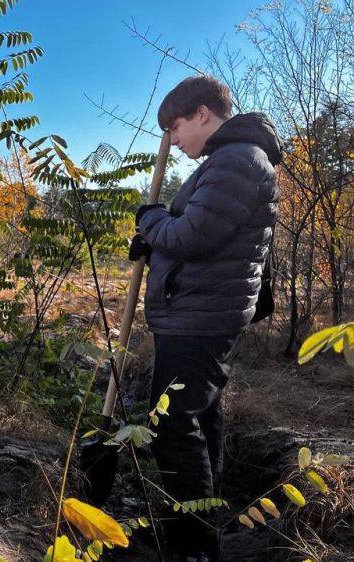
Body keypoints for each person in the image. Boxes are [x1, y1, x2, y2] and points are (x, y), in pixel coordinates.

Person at [130, 75, 280, 562]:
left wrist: (150, 220)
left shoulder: (237, 160)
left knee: (174, 427)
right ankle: (195, 527)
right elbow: (203, 245)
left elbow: (194, 236)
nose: (173, 142)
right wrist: (154, 242)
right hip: (201, 310)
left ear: (202, 114)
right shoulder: (228, 160)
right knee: (201, 419)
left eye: (175, 129)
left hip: (201, 319)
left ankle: (192, 546)